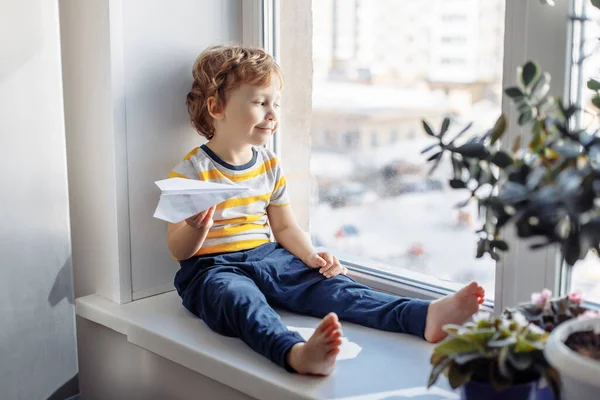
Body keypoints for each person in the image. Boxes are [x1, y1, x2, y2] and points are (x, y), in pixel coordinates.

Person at [166, 44, 485, 376]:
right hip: (212, 269)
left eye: (275, 103)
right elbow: (178, 249)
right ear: (216, 107)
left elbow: (285, 229)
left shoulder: (269, 165)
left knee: (336, 287)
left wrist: (311, 256)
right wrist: (197, 228)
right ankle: (295, 353)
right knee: (240, 301)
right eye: (260, 103)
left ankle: (422, 316)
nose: (273, 114)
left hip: (266, 255)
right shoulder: (190, 172)